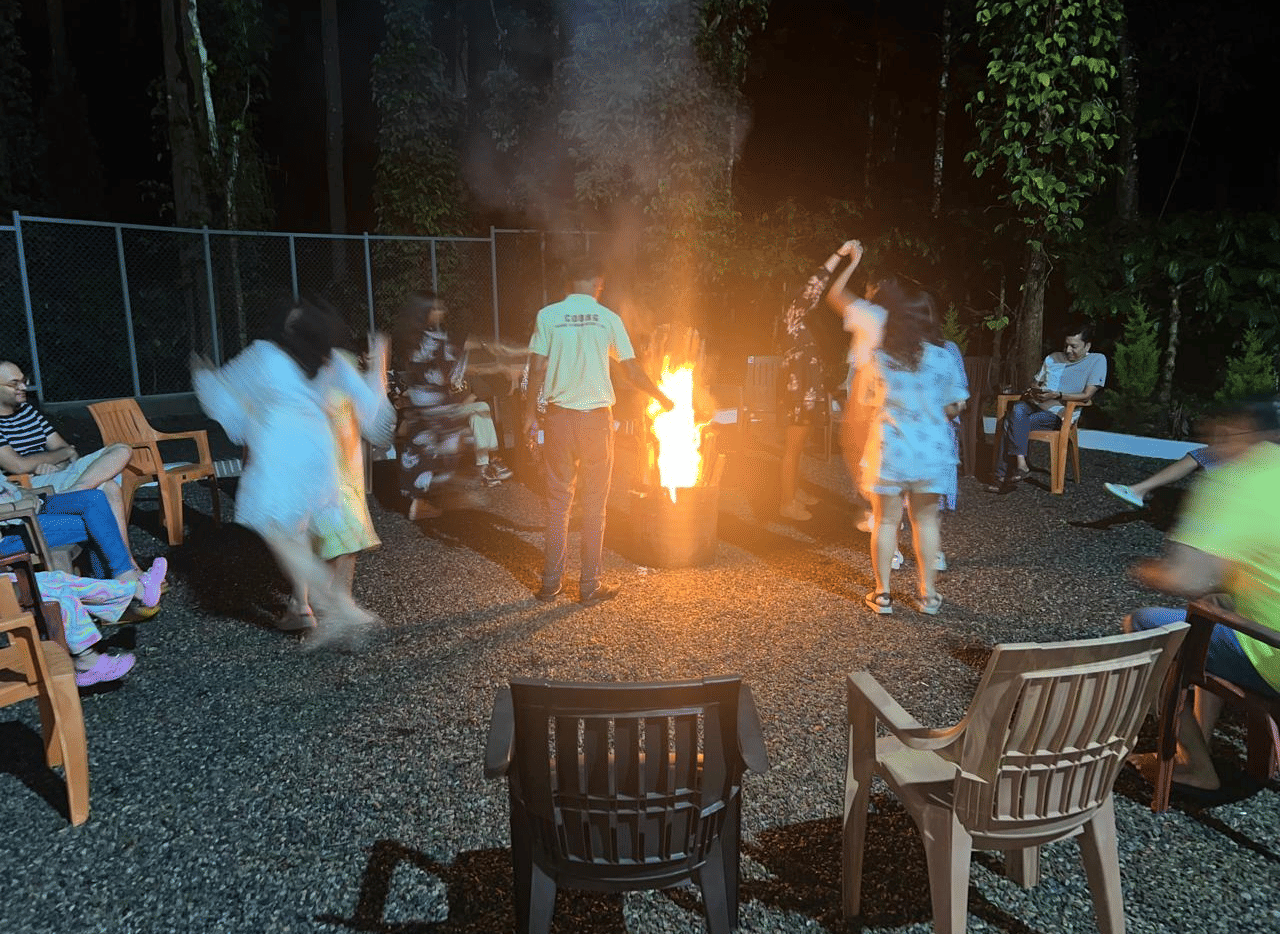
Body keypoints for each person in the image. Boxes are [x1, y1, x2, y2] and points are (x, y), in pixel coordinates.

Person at [192, 298, 385, 650]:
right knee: (295, 534)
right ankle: (305, 609)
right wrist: (379, 365)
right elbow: (371, 409)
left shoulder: (265, 354)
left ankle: (336, 606)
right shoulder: (327, 359)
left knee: (279, 532)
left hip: (282, 450)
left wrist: (201, 372)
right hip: (319, 452)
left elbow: (221, 399)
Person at [1123, 397, 1280, 794]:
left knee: (1146, 626)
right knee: (1209, 613)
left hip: (1273, 652)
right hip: (1263, 622)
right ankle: (1200, 743)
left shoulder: (1234, 480)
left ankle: (1195, 767)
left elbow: (1185, 578)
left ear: (1234, 432)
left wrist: (1145, 570)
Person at [523, 256, 673, 605]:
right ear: (597, 283)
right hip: (595, 422)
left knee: (559, 504)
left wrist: (529, 413)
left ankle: (550, 583)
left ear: (568, 284)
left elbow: (535, 367)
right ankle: (589, 586)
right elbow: (632, 371)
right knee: (594, 506)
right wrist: (663, 398)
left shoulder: (548, 316)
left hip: (559, 419)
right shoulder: (607, 319)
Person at [853, 279, 967, 616]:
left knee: (887, 522)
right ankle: (928, 595)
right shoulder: (942, 357)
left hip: (892, 451)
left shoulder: (878, 359)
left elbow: (866, 403)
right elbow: (956, 405)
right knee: (926, 522)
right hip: (932, 453)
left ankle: (883, 594)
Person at [279, 336, 395, 632]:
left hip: (318, 472)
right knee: (340, 539)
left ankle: (304, 605)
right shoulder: (340, 369)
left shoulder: (304, 371)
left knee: (315, 536)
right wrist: (379, 365)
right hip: (336, 476)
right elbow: (377, 422)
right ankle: (327, 605)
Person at [393, 292, 519, 520]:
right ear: (425, 311)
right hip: (434, 402)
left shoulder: (413, 338)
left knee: (425, 449)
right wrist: (493, 348)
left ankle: (421, 502)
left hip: (423, 402)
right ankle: (456, 492)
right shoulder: (432, 339)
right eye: (436, 309)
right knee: (453, 440)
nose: (442, 312)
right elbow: (457, 348)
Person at [0, 361, 137, 545]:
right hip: (30, 483)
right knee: (110, 488)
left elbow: (69, 451)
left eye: (24, 381)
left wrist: (58, 463)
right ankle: (128, 567)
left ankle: (77, 490)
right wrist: (61, 456)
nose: (24, 387)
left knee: (121, 449)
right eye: (13, 383)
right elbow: (17, 465)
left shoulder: (28, 411)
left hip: (57, 473)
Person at [776, 239, 860, 521]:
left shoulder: (799, 325)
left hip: (805, 396)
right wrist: (840, 254)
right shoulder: (791, 319)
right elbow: (815, 286)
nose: (809, 299)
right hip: (798, 398)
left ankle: (794, 491)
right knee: (792, 448)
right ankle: (787, 502)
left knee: (798, 448)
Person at [985, 323, 1106, 491]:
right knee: (1018, 408)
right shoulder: (1053, 358)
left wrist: (1057, 395)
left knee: (1009, 421)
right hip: (1036, 405)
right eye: (1066, 345)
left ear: (1087, 346)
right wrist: (1035, 391)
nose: (1068, 350)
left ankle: (1001, 476)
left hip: (1059, 414)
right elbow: (1035, 382)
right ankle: (1021, 463)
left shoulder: (1097, 360)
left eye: (1074, 346)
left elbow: (1087, 395)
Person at [824, 240, 888, 531]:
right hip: (888, 389)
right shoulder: (897, 317)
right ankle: (879, 509)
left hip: (867, 387)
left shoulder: (870, 312)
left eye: (868, 288)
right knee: (876, 449)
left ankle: (876, 509)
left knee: (856, 444)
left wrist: (852, 262)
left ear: (875, 290)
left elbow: (834, 294)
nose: (864, 293)